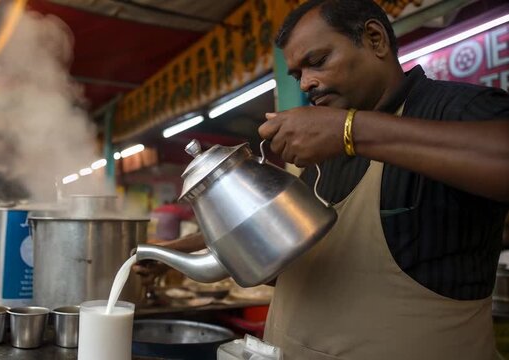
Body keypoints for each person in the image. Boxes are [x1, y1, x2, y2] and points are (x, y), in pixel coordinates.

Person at [139, 1, 509, 359]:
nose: (307, 84)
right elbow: (273, 253)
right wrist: (176, 251)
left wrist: (349, 130)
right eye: (298, 75)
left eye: (317, 62)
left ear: (375, 39)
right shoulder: (312, 153)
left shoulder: (452, 110)